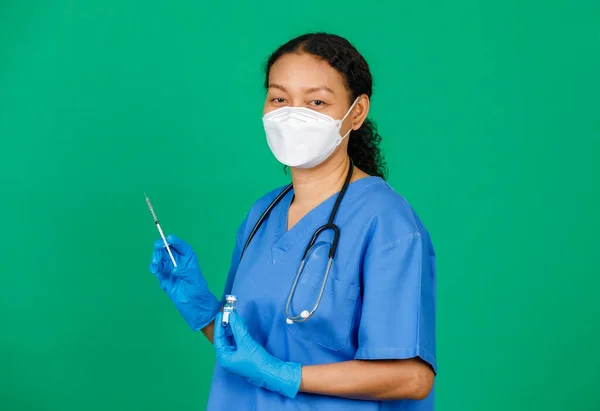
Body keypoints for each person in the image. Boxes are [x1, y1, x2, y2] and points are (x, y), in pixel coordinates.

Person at [149, 32, 437, 411]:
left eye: (316, 101)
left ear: (357, 111)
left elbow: (412, 377)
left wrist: (285, 375)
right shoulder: (263, 213)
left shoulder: (387, 223)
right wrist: (203, 309)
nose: (292, 114)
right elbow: (251, 351)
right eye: (279, 98)